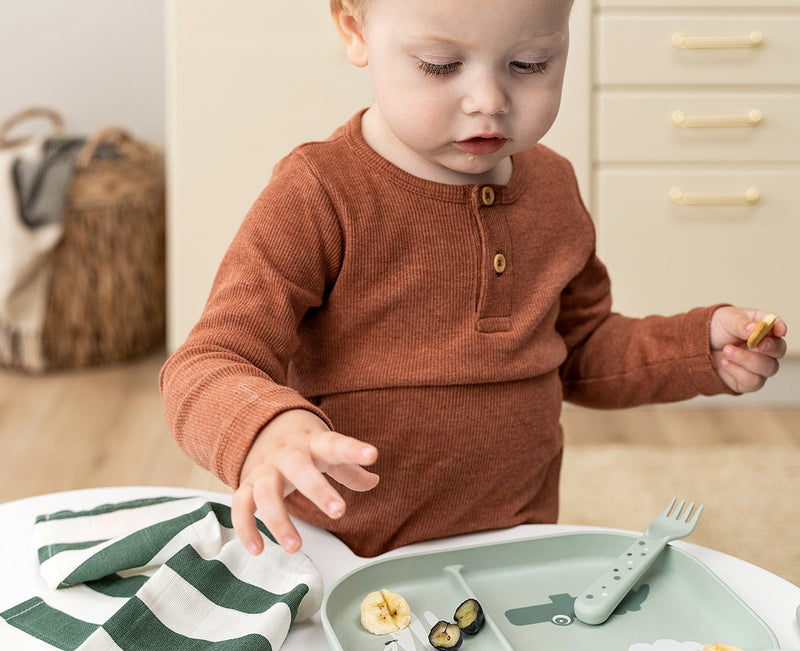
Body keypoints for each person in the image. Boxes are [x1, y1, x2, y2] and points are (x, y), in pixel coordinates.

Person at [160, 0, 787, 559]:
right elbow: (207, 363)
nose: (489, 100)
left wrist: (694, 347)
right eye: (440, 66)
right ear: (355, 31)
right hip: (339, 559)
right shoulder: (318, 194)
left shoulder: (554, 188)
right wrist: (264, 428)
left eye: (530, 63)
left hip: (515, 551)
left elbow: (581, 347)